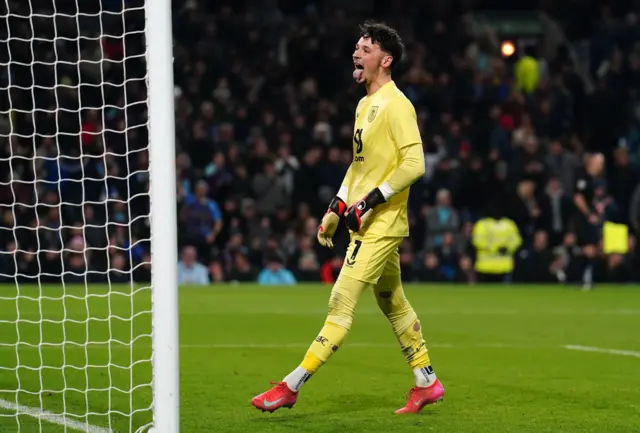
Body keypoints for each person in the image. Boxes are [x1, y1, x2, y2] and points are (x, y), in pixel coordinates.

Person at [251, 22, 444, 415]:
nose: (357, 53)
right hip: (365, 220)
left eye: (366, 48)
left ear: (385, 60)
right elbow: (358, 168)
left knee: (340, 302)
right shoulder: (363, 104)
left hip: (383, 222)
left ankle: (291, 386)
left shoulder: (397, 105)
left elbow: (415, 164)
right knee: (392, 301)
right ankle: (427, 381)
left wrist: (370, 202)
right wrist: (337, 207)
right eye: (356, 47)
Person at [573, 153, 605, 290]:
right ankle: (584, 279)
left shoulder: (594, 179)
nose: (601, 166)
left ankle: (585, 278)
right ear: (592, 162)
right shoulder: (583, 177)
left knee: (593, 248)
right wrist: (589, 214)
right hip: (583, 220)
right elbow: (578, 198)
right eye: (600, 163)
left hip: (590, 219)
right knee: (589, 248)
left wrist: (598, 207)